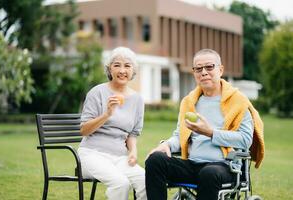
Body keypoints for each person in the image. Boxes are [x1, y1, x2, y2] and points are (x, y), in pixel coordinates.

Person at [145, 49, 264, 200]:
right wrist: (166, 145)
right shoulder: (189, 102)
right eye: (198, 69)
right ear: (194, 72)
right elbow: (180, 135)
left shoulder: (238, 102)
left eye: (209, 67)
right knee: (155, 160)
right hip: (192, 164)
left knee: (208, 173)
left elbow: (246, 139)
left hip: (224, 167)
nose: (204, 72)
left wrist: (211, 133)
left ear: (220, 70)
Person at [78, 47, 147, 200]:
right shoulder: (97, 93)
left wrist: (133, 152)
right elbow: (83, 130)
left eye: (127, 66)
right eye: (117, 65)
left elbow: (133, 133)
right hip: (92, 155)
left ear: (133, 70)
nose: (122, 70)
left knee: (146, 181)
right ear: (109, 69)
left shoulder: (137, 100)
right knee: (121, 183)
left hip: (120, 158)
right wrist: (107, 114)